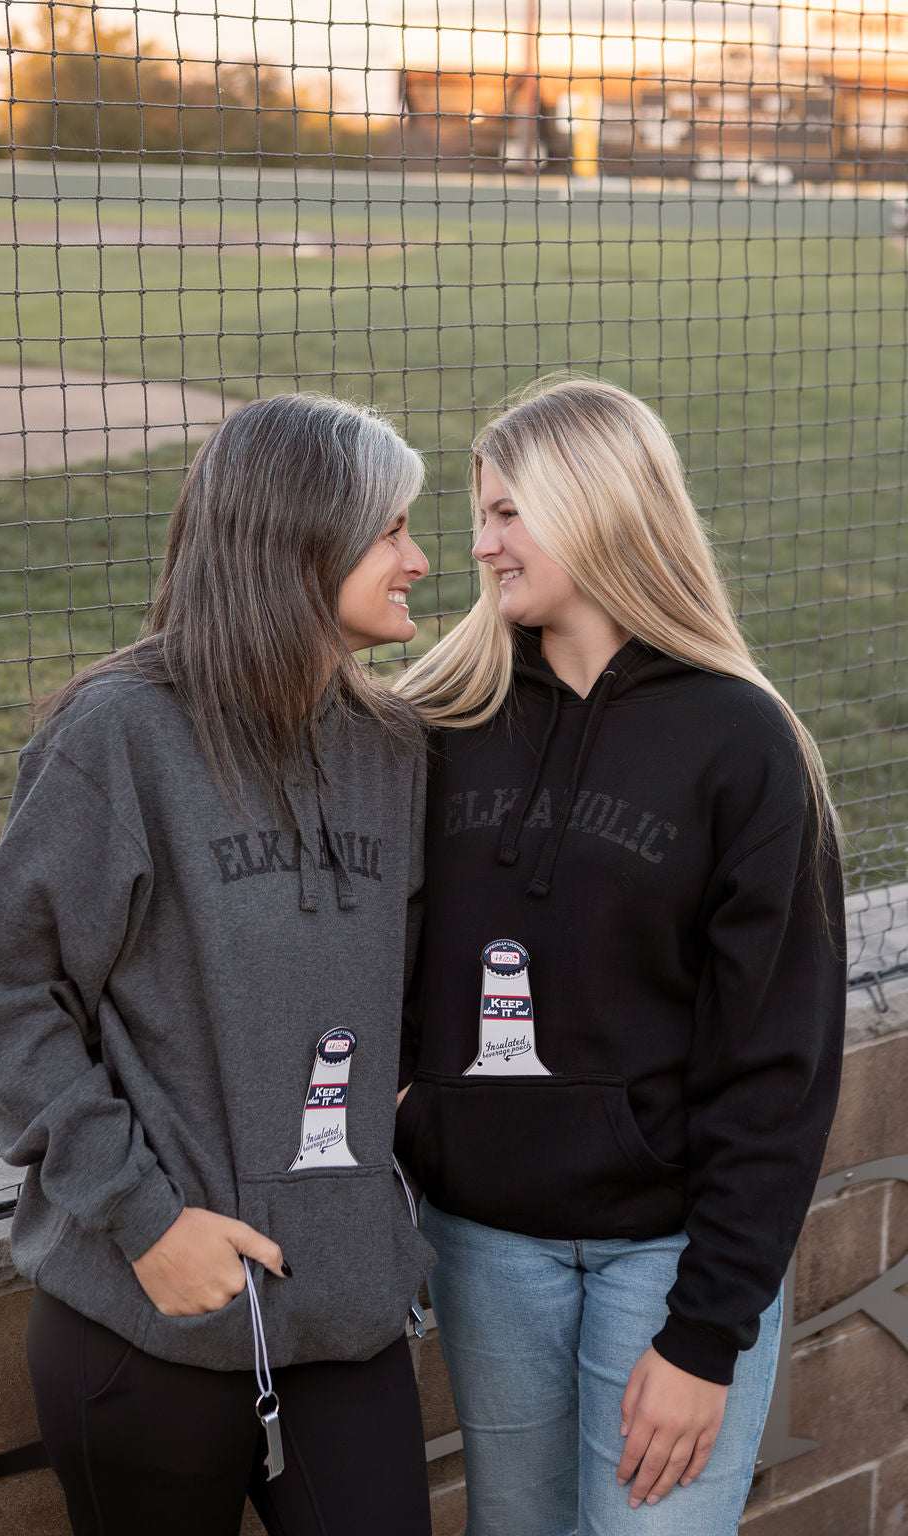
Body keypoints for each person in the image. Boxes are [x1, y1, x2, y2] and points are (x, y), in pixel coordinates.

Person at [0, 393, 437, 1536]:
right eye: (390, 531)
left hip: (345, 1315)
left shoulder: (395, 753)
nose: (419, 558)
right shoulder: (118, 736)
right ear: (302, 544)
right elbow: (8, 991)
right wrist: (147, 1221)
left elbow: (407, 992)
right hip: (148, 1316)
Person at [394, 377, 846, 1536]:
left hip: (671, 1255)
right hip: (485, 1245)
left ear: (595, 507)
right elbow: (369, 947)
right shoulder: (437, 718)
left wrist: (705, 1335)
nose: (478, 544)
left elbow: (778, 1064)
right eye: (479, 513)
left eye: (506, 512)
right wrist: (413, 1109)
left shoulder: (742, 743)